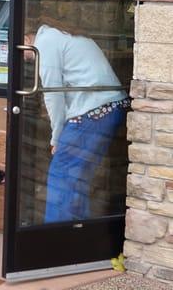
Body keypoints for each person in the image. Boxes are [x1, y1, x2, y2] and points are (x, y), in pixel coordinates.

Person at [24, 15, 130, 223]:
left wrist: (56, 137)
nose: (23, 57)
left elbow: (53, 94)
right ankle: (77, 238)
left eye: (22, 51)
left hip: (94, 111)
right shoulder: (60, 35)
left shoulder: (45, 43)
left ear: (27, 40)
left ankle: (55, 240)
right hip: (108, 107)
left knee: (61, 174)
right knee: (77, 178)